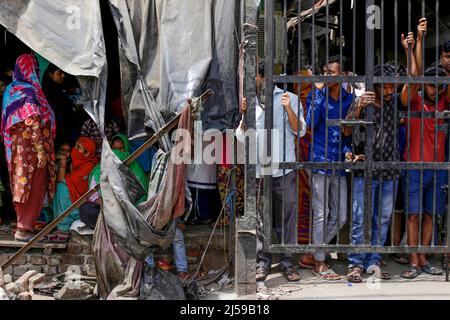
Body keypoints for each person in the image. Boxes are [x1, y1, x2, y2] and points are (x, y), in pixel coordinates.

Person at [237, 61, 306, 282]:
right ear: (256, 77)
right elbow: (241, 137)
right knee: (260, 220)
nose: (263, 81)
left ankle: (287, 263)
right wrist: (243, 115)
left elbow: (300, 131)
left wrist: (288, 108)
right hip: (259, 171)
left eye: (267, 78)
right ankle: (263, 263)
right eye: (260, 77)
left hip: (284, 170)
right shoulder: (250, 101)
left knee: (286, 218)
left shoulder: (289, 99)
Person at [343, 63, 402, 282]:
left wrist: (412, 48)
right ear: (375, 86)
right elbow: (346, 130)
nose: (389, 92)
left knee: (382, 219)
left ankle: (374, 261)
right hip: (365, 171)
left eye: (391, 87)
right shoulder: (363, 103)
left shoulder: (395, 104)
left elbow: (413, 84)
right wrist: (358, 108)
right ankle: (356, 263)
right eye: (384, 88)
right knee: (360, 218)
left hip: (389, 171)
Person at [400, 20, 450, 279]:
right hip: (413, 166)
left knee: (430, 214)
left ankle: (423, 257)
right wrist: (417, 43)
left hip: (437, 167)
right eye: (432, 85)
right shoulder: (414, 99)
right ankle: (413, 260)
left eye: (440, 86)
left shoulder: (444, 98)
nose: (436, 90)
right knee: (413, 215)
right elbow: (414, 77)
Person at [304, 55, 353, 280]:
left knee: (341, 215)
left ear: (342, 75)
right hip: (319, 160)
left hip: (339, 163)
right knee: (321, 213)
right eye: (324, 71)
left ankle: (313, 252)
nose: (327, 75)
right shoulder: (316, 95)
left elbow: (348, 133)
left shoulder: (348, 99)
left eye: (331, 72)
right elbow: (311, 123)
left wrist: (348, 152)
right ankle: (320, 263)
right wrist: (319, 93)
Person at [1, 53, 56, 242]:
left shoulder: (12, 90)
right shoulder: (29, 91)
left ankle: (25, 227)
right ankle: (23, 229)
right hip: (32, 150)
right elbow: (32, 120)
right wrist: (40, 150)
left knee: (21, 185)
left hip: (18, 151)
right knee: (32, 187)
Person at [49, 137, 98, 242]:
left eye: (78, 147)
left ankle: (63, 229)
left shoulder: (88, 166)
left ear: (86, 154)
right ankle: (60, 225)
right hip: (75, 204)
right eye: (75, 146)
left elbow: (63, 181)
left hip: (80, 207)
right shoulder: (78, 164)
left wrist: (62, 162)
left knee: (61, 188)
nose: (74, 150)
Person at [42, 64, 78, 149]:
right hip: (61, 132)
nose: (63, 75)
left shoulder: (58, 89)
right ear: (51, 75)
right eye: (59, 73)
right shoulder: (53, 94)